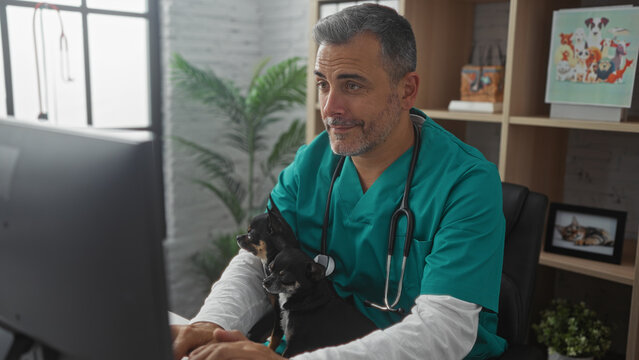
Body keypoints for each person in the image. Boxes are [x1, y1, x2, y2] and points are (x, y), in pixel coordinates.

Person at [171, 4, 507, 360]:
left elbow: (444, 331)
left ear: (407, 90)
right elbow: (259, 260)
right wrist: (211, 325)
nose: (330, 107)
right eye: (322, 84)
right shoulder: (311, 162)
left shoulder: (467, 183)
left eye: (352, 85)